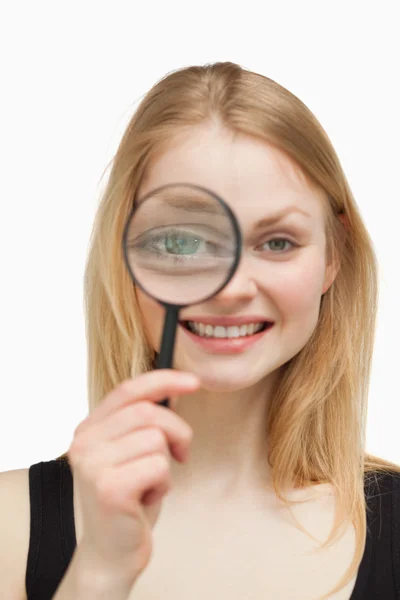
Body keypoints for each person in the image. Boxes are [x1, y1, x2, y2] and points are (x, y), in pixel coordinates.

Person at [1, 61, 399, 600]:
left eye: (277, 242)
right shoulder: (9, 529)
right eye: (182, 242)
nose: (231, 287)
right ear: (126, 259)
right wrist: (97, 571)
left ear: (335, 258)